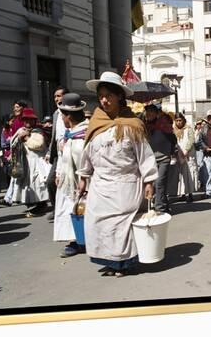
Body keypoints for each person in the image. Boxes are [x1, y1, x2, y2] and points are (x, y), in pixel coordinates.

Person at [77, 71, 158, 277]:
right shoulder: (95, 123)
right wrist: (83, 176)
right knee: (99, 223)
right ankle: (109, 261)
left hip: (126, 183)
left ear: (119, 96)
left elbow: (144, 155)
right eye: (101, 96)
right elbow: (87, 153)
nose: (104, 100)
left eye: (109, 95)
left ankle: (124, 263)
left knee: (121, 224)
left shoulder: (132, 125)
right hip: (100, 185)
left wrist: (149, 180)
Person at [53, 93, 89, 258]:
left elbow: (84, 163)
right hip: (68, 182)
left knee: (79, 211)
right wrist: (59, 172)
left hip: (79, 184)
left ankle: (80, 241)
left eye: (62, 116)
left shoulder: (82, 135)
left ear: (69, 116)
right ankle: (76, 240)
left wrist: (83, 182)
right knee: (71, 211)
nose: (62, 119)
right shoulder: (72, 133)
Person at [9, 107, 51, 217]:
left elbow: (38, 145)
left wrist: (26, 138)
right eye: (25, 119)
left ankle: (41, 205)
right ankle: (35, 203)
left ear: (34, 120)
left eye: (30, 119)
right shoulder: (21, 130)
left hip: (37, 162)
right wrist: (19, 138)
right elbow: (12, 143)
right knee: (29, 184)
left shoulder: (38, 131)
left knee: (38, 184)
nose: (28, 122)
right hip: (24, 162)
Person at [144, 103, 176, 212]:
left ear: (156, 113)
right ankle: (164, 203)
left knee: (160, 182)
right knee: (153, 183)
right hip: (150, 159)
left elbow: (173, 139)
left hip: (164, 158)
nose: (148, 114)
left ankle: (159, 208)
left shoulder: (163, 124)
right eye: (147, 112)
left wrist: (172, 152)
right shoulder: (144, 126)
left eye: (151, 112)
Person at [46, 86, 68, 220]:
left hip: (70, 150)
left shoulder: (72, 111)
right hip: (58, 155)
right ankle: (55, 208)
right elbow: (54, 135)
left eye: (59, 96)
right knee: (50, 181)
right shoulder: (55, 114)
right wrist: (50, 151)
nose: (56, 99)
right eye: (55, 96)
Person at [173, 113, 196, 203]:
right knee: (180, 176)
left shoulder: (188, 129)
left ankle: (190, 194)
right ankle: (182, 194)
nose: (178, 122)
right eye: (177, 121)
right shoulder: (173, 130)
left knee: (189, 175)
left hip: (188, 155)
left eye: (180, 120)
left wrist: (186, 150)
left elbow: (191, 140)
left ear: (183, 120)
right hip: (178, 155)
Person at [194, 118, 207, 192]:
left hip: (200, 150)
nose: (199, 125)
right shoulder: (195, 131)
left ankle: (203, 183)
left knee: (200, 165)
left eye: (200, 124)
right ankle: (200, 182)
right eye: (198, 124)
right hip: (195, 151)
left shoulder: (202, 132)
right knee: (198, 166)